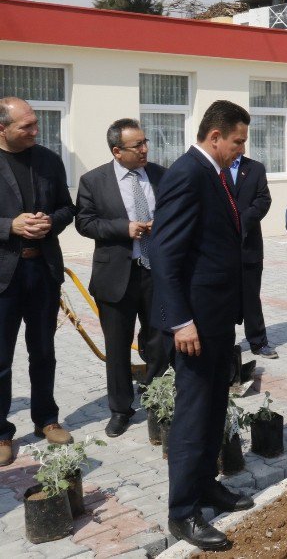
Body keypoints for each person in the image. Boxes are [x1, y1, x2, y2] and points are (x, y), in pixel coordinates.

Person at [151, 100, 254, 551]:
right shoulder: (187, 173)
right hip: (194, 323)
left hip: (216, 318)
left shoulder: (212, 173)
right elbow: (164, 254)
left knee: (214, 407)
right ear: (215, 137)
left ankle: (207, 486)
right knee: (193, 416)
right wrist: (180, 322)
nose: (240, 150)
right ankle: (183, 512)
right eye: (237, 141)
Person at [75, 119, 171, 438]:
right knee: (116, 347)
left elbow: (177, 211)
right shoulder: (93, 181)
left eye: (145, 143)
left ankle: (157, 399)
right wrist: (124, 228)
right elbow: (85, 223)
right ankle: (120, 409)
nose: (145, 150)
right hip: (116, 275)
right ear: (117, 151)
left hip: (156, 272)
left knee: (159, 340)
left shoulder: (159, 174)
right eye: (137, 146)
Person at [0, 97, 76, 467]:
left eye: (34, 124)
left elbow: (67, 207)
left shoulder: (48, 159)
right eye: (26, 126)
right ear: (2, 129)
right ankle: (1, 433)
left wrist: (51, 221)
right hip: (3, 277)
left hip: (42, 271)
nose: (35, 130)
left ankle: (46, 418)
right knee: (0, 359)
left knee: (43, 351)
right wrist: (8, 226)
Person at [230, 154, 275, 359]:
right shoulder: (213, 166)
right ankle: (225, 342)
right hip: (220, 245)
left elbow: (264, 199)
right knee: (223, 297)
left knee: (251, 295)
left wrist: (242, 220)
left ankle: (258, 341)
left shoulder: (255, 168)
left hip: (249, 244)